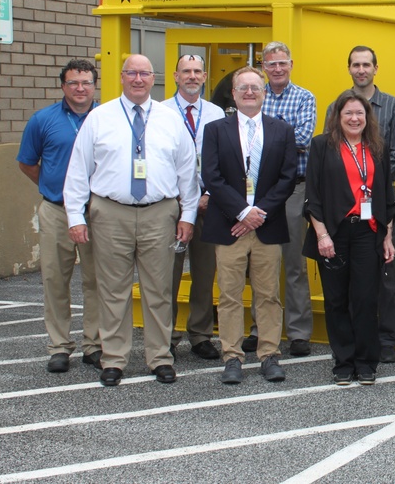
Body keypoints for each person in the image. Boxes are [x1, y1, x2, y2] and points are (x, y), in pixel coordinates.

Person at [64, 55, 199, 387]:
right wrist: (75, 217)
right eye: (132, 73)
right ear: (122, 77)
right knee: (113, 290)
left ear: (154, 79)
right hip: (110, 213)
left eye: (145, 73)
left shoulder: (170, 119)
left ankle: (160, 358)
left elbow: (188, 173)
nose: (138, 79)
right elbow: (79, 170)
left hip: (160, 213)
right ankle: (114, 359)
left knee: (159, 290)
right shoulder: (99, 118)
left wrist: (189, 215)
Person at [200, 66, 298, 385]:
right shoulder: (216, 130)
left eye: (256, 87)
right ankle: (232, 356)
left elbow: (287, 178)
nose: (250, 92)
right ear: (234, 92)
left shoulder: (281, 130)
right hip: (230, 226)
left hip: (267, 226)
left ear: (264, 92)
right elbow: (211, 177)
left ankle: (269, 354)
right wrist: (243, 212)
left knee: (268, 294)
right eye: (243, 87)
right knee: (229, 295)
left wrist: (259, 212)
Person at [306, 90, 395, 385]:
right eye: (348, 114)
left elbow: (387, 196)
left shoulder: (377, 148)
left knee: (366, 298)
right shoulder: (322, 146)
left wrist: (387, 236)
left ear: (367, 117)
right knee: (336, 299)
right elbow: (313, 195)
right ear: (338, 117)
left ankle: (366, 362)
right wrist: (322, 235)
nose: (354, 118)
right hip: (333, 231)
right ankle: (343, 362)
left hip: (368, 232)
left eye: (360, 113)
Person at [17, 59, 102, 373]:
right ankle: (59, 347)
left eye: (86, 82)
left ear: (94, 85)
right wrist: (53, 185)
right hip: (57, 211)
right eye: (73, 83)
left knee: (97, 281)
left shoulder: (107, 117)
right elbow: (27, 163)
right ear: (63, 86)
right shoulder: (43, 120)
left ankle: (94, 345)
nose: (80, 88)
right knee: (55, 280)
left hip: (97, 213)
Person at [325, 46, 395, 364]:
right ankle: (353, 339)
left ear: (376, 68)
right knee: (348, 278)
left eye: (366, 65)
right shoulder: (337, 106)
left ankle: (386, 338)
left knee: (386, 274)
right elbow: (329, 153)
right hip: (345, 210)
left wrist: (368, 183)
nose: (361, 70)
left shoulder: (394, 106)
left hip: (381, 202)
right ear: (349, 69)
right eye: (356, 65)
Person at [242, 42, 316, 357]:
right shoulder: (253, 94)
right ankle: (261, 329)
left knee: (294, 264)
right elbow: (243, 137)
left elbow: (303, 138)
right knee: (261, 263)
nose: (276, 69)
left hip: (294, 190)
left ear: (291, 64)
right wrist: (278, 137)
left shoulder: (305, 97)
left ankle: (299, 332)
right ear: (263, 66)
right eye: (270, 64)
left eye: (282, 63)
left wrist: (267, 138)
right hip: (257, 191)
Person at [161, 54, 225, 360]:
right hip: (170, 205)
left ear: (204, 76)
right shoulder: (159, 113)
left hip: (208, 204)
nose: (191, 76)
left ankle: (200, 334)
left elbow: (226, 159)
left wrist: (210, 194)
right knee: (166, 274)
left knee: (204, 272)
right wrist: (178, 199)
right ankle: (166, 336)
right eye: (186, 71)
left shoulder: (216, 114)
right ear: (175, 76)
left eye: (197, 71)